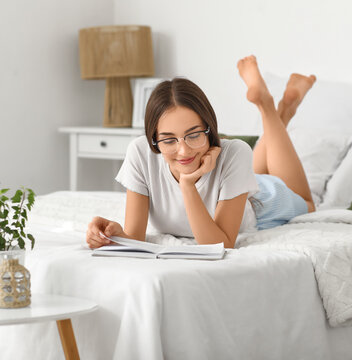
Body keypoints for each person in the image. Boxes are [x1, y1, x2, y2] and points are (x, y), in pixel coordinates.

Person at [86, 55, 317, 249]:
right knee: (252, 171)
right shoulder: (140, 152)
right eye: (168, 140)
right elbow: (135, 237)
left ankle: (267, 105)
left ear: (209, 128)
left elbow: (220, 245)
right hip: (235, 185)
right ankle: (284, 111)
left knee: (308, 204)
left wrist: (187, 185)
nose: (183, 150)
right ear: (154, 139)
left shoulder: (236, 152)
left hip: (262, 203)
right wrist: (111, 235)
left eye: (194, 135)